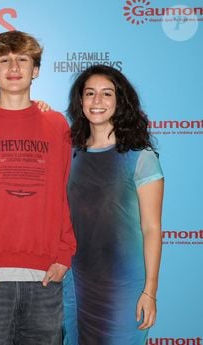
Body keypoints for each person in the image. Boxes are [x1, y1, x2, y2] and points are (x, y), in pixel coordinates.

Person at [0, 30, 77, 345]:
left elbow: (69, 194)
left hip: (45, 277)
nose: (14, 67)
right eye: (4, 61)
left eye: (23, 60)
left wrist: (64, 255)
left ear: (36, 70)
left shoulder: (57, 125)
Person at [62, 65, 163, 345]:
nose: (97, 101)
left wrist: (150, 291)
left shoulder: (140, 158)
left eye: (107, 94)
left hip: (123, 286)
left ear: (120, 101)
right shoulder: (68, 154)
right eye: (90, 93)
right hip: (76, 283)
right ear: (80, 101)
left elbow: (152, 229)